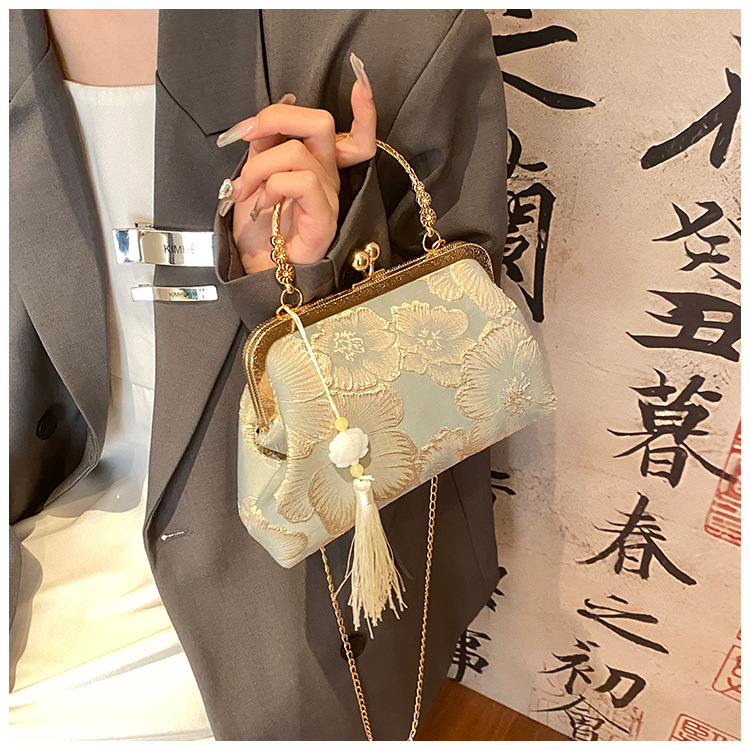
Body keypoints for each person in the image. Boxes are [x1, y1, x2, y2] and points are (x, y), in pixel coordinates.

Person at [9, 9, 509, 741]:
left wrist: (300, 282)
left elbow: (466, 350)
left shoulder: (390, 28)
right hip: (47, 514)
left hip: (284, 559)